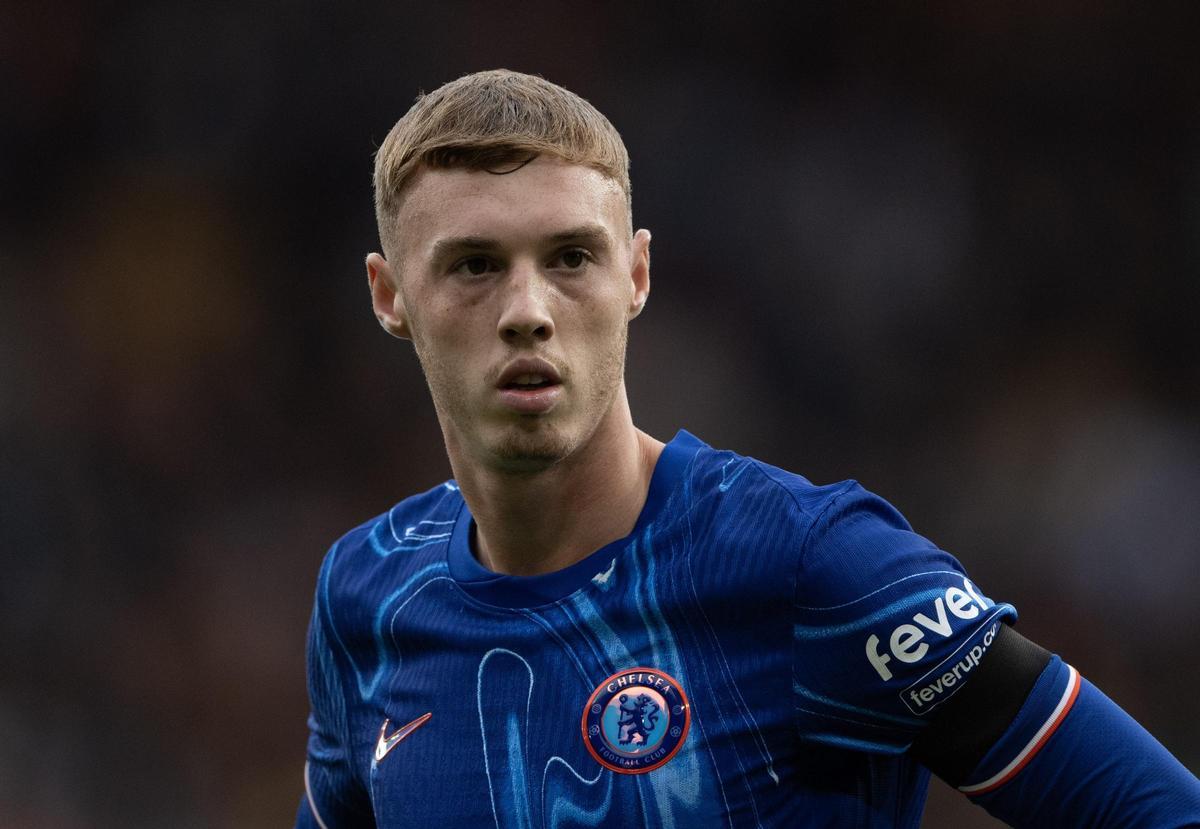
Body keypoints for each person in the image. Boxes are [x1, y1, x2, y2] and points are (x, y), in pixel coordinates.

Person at [297, 69, 1200, 828]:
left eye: (571, 257)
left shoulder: (812, 564)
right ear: (389, 294)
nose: (528, 310)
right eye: (474, 265)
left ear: (636, 274)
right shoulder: (365, 596)